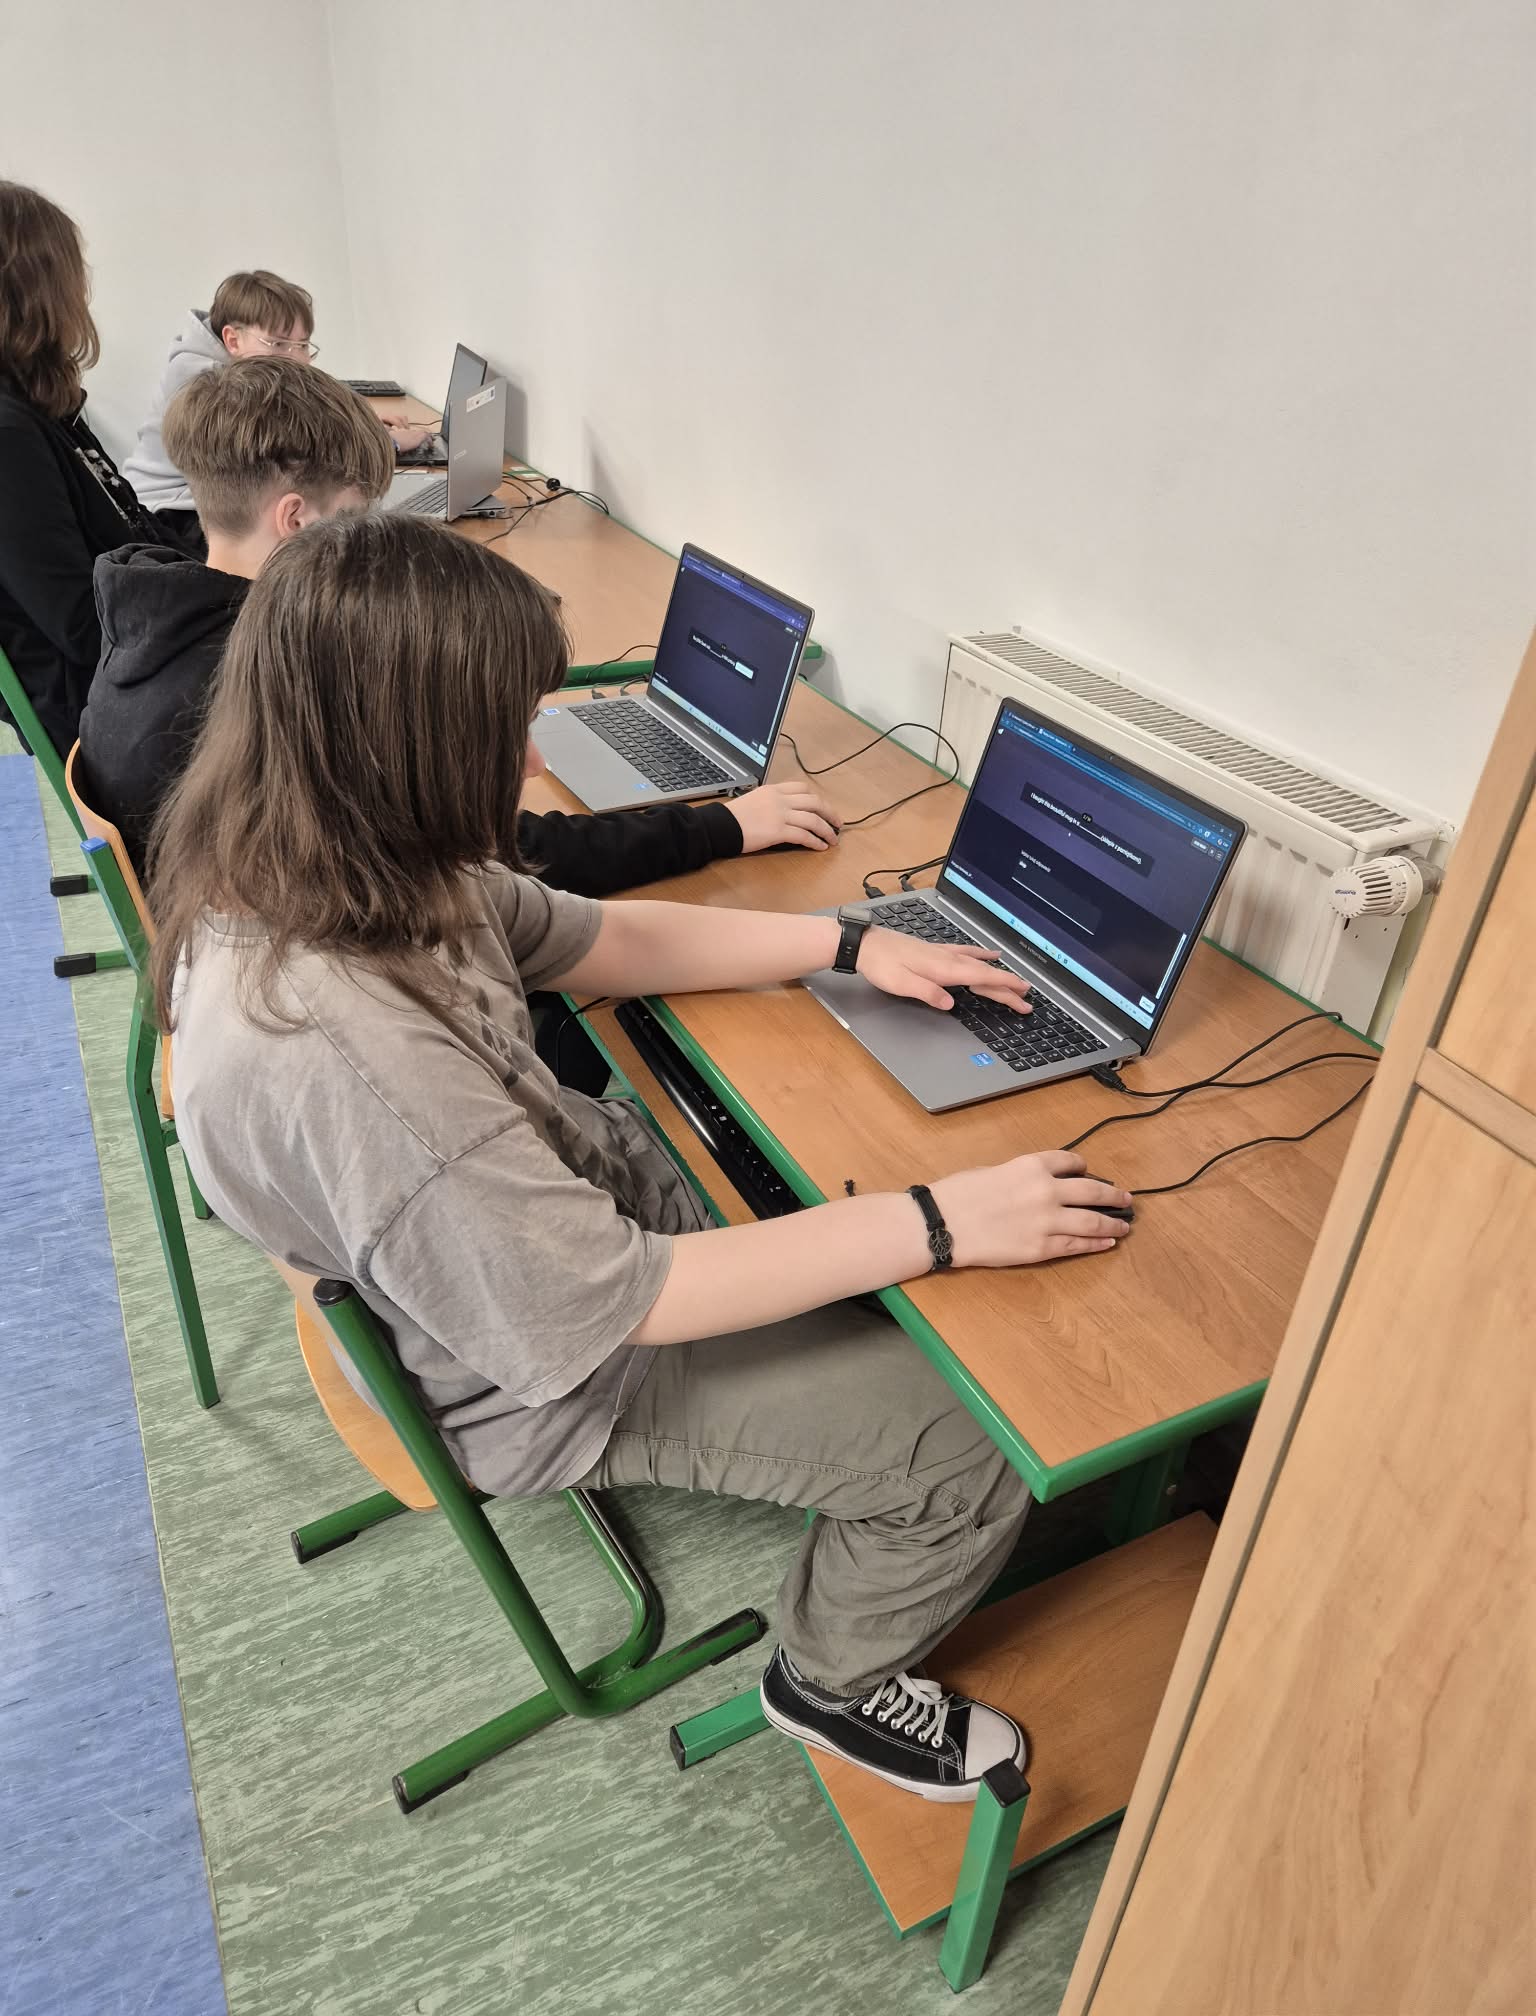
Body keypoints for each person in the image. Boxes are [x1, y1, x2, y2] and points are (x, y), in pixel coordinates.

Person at [149, 513, 1132, 1800]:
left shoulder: (339, 850)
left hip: (555, 1232)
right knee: (976, 1433)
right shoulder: (343, 1052)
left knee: (865, 1244)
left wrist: (849, 943)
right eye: (506, 729)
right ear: (407, 742)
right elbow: (628, 1298)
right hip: (546, 1372)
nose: (528, 757)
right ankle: (829, 1682)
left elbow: (598, 937)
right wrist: (942, 1220)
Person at [79, 355, 841, 891]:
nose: (371, 542)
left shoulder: (159, 616)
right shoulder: (267, 687)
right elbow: (499, 853)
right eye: (356, 520)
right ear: (294, 520)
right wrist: (720, 829)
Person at [0, 180, 181, 755]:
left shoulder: (41, 404)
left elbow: (128, 527)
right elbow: (82, 625)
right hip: (105, 713)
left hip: (133, 666)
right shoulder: (8, 435)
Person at [121, 268, 430, 549]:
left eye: (303, 345)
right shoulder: (206, 383)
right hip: (170, 511)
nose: (297, 359)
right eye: (279, 344)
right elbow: (288, 451)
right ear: (232, 339)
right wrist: (387, 442)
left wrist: (364, 420)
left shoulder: (241, 369)